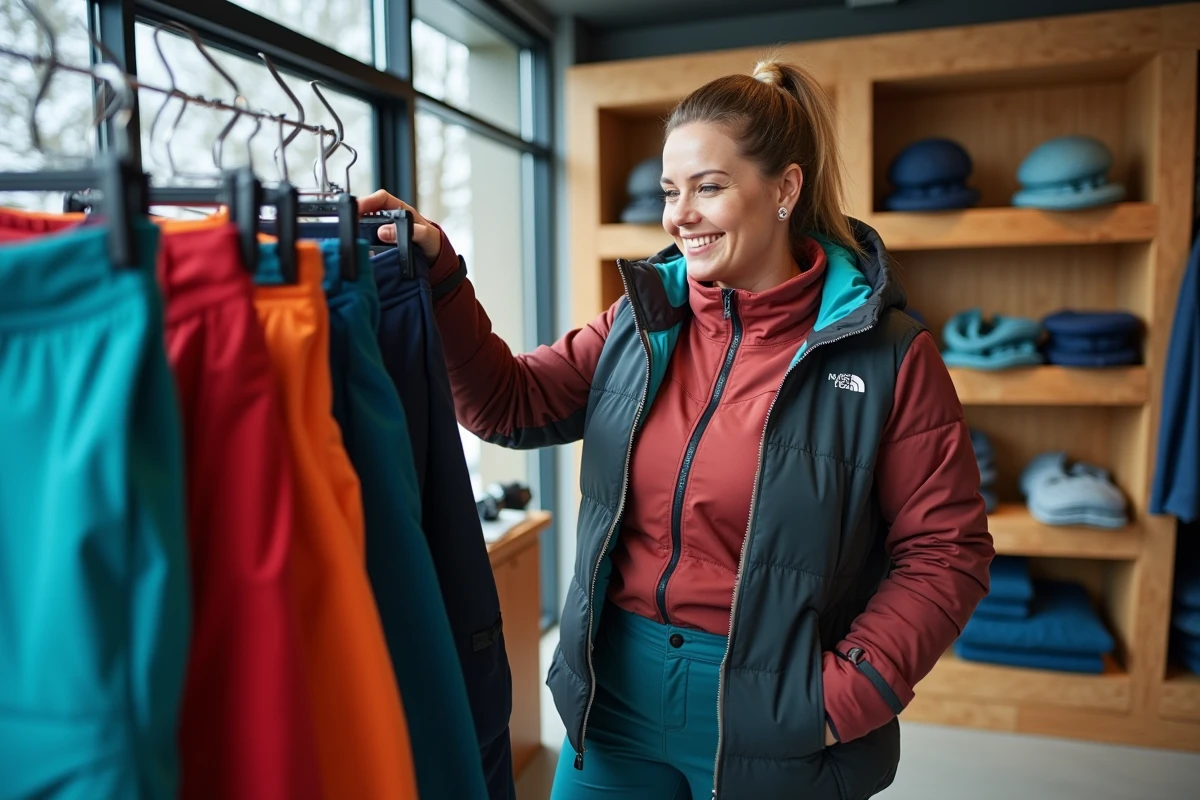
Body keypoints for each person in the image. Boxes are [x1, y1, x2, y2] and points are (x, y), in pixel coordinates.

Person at [361, 59, 994, 800]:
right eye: (670, 191)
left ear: (785, 189)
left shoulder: (888, 355)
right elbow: (510, 403)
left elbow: (947, 550)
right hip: (614, 698)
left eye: (708, 187)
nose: (678, 216)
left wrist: (844, 696)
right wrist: (442, 278)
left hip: (776, 715)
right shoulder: (642, 320)